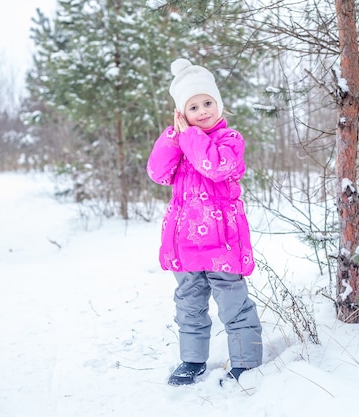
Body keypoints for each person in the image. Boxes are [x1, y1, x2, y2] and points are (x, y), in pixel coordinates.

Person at [146, 58, 263, 386]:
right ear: (182, 112)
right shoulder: (179, 143)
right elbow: (157, 173)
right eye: (193, 106)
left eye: (208, 102)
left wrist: (190, 138)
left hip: (222, 243)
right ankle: (193, 360)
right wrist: (174, 137)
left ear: (218, 104)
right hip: (185, 245)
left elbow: (216, 166)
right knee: (189, 305)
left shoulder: (230, 141)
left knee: (233, 305)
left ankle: (245, 361)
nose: (203, 110)